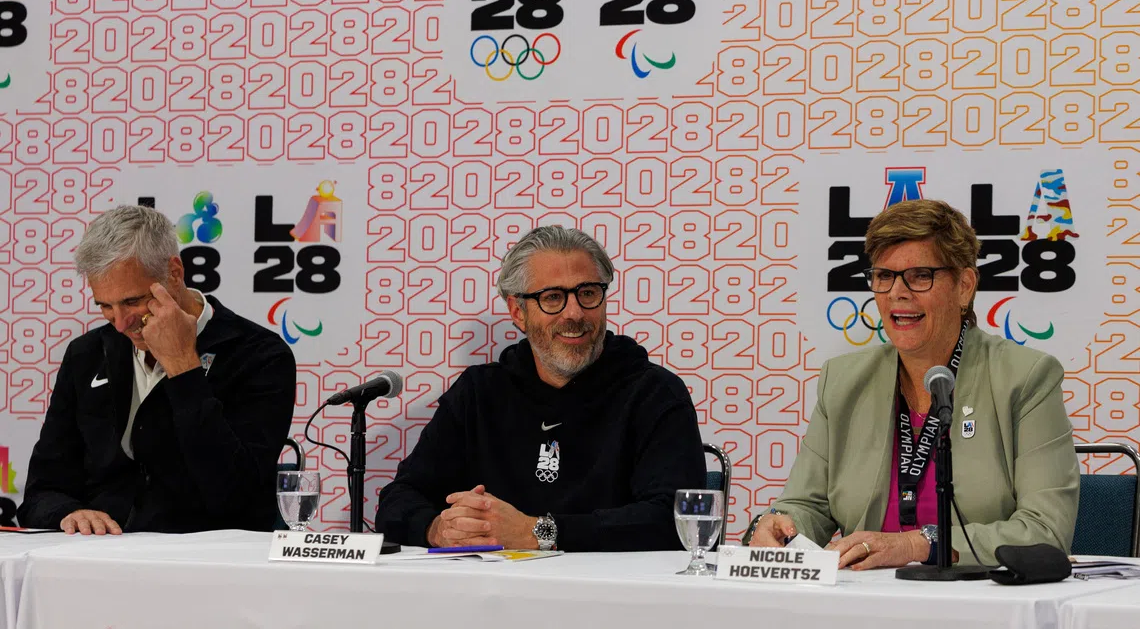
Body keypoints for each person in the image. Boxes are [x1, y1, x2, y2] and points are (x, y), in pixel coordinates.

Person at [746, 199, 1078, 569]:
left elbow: (1047, 530)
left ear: (965, 286)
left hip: (981, 601)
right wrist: (778, 527)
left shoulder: (1025, 378)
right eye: (884, 276)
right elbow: (806, 506)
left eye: (921, 275)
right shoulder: (842, 381)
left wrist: (920, 544)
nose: (897, 293)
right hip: (864, 599)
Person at [374, 225, 706, 551]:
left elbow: (680, 519)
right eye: (553, 298)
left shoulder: (656, 393)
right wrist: (438, 529)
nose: (574, 313)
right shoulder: (478, 392)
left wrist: (541, 533)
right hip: (486, 593)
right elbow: (398, 500)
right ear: (518, 311)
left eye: (588, 292)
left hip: (612, 596)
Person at [18, 206, 297, 535]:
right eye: (106, 306)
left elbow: (236, 495)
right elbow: (40, 492)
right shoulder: (87, 354)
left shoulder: (260, 354)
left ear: (174, 273)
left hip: (210, 563)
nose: (121, 323)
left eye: (133, 301)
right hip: (100, 561)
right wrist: (70, 513)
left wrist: (183, 364)